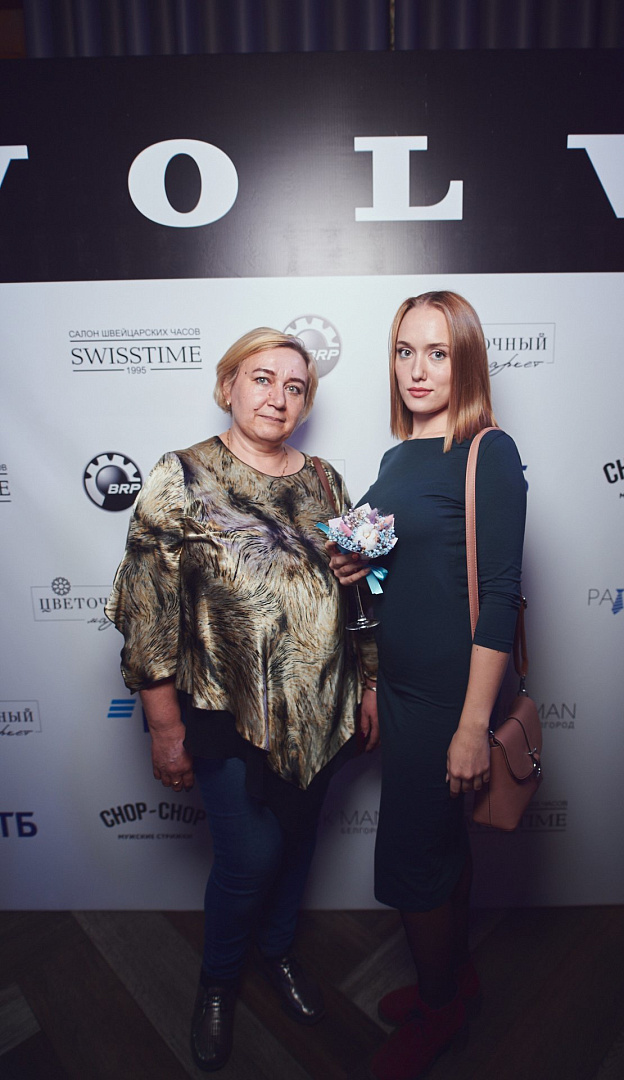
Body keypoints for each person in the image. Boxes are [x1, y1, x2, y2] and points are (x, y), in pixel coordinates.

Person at [106, 327, 378, 1073]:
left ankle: (279, 951)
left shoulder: (325, 480)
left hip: (320, 706)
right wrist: (164, 728)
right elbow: (147, 612)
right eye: (261, 379)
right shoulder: (181, 475)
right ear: (228, 385)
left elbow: (360, 594)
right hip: (223, 707)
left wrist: (369, 681)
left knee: (296, 841)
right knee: (249, 855)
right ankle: (218, 983)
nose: (277, 398)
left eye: (295, 387)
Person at [329, 292, 526, 1080]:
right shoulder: (398, 456)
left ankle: (440, 1011)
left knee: (412, 861)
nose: (417, 369)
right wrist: (355, 564)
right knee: (440, 846)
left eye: (437, 353)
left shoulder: (487, 451)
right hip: (404, 688)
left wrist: (472, 726)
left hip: (451, 697)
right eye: (405, 351)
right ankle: (455, 979)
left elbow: (499, 594)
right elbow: (396, 572)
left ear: (465, 360)